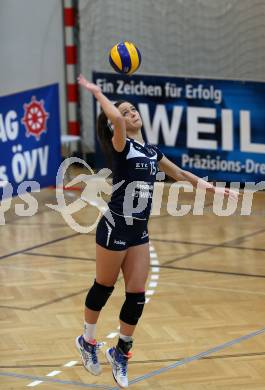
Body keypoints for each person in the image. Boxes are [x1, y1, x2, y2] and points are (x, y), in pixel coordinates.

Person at [75, 74, 238, 388]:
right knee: (104, 288)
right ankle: (87, 340)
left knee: (137, 295)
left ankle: (121, 352)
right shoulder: (121, 145)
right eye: (125, 112)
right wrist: (97, 94)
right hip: (115, 226)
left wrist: (209, 188)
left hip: (139, 231)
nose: (131, 113)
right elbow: (114, 121)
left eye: (133, 109)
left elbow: (177, 172)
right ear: (114, 125)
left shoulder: (150, 152)